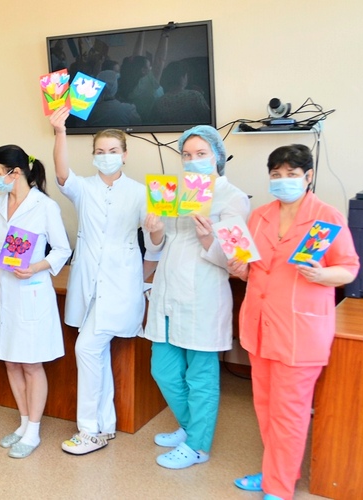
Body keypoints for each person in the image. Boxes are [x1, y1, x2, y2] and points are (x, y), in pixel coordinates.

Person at [229, 145, 359, 500]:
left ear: (308, 176)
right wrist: (237, 267)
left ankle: (279, 487)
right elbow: (250, 268)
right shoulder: (260, 216)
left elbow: (349, 268)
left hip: (300, 331)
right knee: (265, 406)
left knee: (289, 412)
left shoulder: (326, 217)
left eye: (291, 174)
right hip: (260, 325)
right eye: (276, 175)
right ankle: (276, 471)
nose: (283, 181)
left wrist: (322, 274)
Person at [144, 125, 250, 469]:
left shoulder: (233, 197)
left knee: (200, 375)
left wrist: (208, 239)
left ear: (217, 156)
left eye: (201, 154)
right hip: (167, 291)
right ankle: (191, 428)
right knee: (163, 370)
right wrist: (155, 232)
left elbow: (238, 261)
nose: (193, 160)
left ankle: (198, 446)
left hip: (204, 295)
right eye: (187, 155)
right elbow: (158, 247)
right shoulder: (172, 193)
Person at [48, 107, 151, 455]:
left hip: (121, 284)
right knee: (97, 351)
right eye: (100, 151)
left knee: (87, 348)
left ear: (125, 154)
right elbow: (62, 173)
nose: (107, 156)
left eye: (113, 151)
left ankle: (89, 430)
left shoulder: (140, 192)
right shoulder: (84, 188)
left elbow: (155, 241)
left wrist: (156, 227)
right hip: (88, 282)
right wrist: (60, 132)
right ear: (93, 155)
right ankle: (105, 425)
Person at [0, 145, 71, 459]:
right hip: (0, 294)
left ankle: (33, 430)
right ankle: (22, 422)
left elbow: (62, 250)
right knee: (10, 360)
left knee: (31, 363)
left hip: (31, 292)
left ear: (14, 172)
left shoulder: (44, 206)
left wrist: (35, 266)